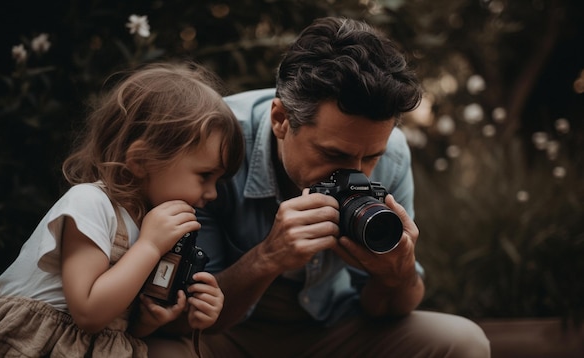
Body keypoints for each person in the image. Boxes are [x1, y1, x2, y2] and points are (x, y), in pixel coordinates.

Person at [145, 17, 491, 358]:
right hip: (228, 334)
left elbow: (387, 310)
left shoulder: (393, 154)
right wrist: (268, 257)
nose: (354, 173)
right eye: (333, 153)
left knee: (464, 342)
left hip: (335, 328)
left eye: (370, 157)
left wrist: (397, 274)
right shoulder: (214, 144)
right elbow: (186, 315)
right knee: (159, 352)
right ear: (281, 119)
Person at [0, 62, 245, 357]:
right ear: (142, 160)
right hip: (28, 345)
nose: (212, 194)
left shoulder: (149, 226)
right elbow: (88, 312)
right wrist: (148, 247)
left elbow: (113, 327)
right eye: (205, 176)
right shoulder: (90, 204)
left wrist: (148, 320)